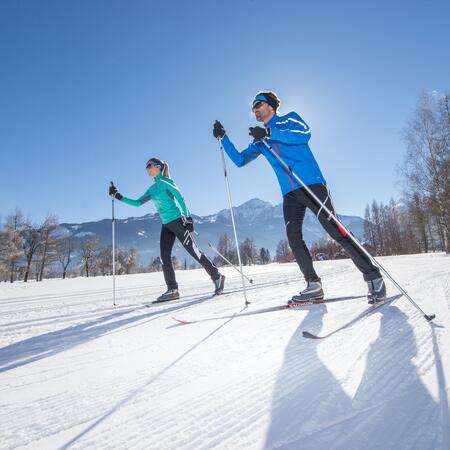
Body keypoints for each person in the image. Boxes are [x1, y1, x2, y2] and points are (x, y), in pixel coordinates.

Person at [213, 91, 386, 303]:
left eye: (258, 104)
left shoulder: (289, 119)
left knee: (335, 230)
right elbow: (240, 160)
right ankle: (313, 285)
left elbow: (304, 134)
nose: (254, 109)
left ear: (271, 105)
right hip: (290, 192)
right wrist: (224, 138)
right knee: (293, 237)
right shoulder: (260, 141)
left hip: (311, 182)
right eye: (252, 108)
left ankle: (374, 277)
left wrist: (270, 134)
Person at [109, 158, 225, 301]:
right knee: (164, 257)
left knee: (194, 252)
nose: (147, 169)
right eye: (146, 167)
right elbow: (138, 203)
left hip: (177, 222)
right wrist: (118, 196)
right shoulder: (152, 189)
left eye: (149, 166)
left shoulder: (166, 182)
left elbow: (181, 199)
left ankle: (217, 277)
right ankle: (172, 290)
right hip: (166, 225)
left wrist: (188, 218)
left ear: (158, 167)